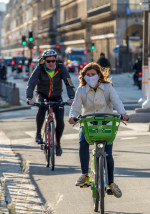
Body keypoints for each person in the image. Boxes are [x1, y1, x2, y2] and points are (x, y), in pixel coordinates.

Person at [68, 62, 129, 198]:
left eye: (93, 74)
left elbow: (117, 102)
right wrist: (72, 116)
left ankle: (111, 182)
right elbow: (76, 107)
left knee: (107, 153)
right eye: (87, 75)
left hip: (106, 124)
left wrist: (123, 114)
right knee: (82, 142)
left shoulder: (107, 88)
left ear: (99, 75)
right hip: (88, 125)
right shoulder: (81, 90)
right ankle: (84, 174)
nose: (90, 77)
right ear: (84, 77)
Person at [26, 49, 75, 156]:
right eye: (48, 61)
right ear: (44, 61)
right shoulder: (39, 69)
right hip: (42, 94)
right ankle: (38, 134)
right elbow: (31, 83)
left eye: (53, 61)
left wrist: (72, 97)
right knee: (42, 108)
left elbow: (69, 82)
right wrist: (29, 98)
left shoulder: (61, 67)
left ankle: (58, 144)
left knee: (60, 120)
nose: (51, 63)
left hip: (57, 96)